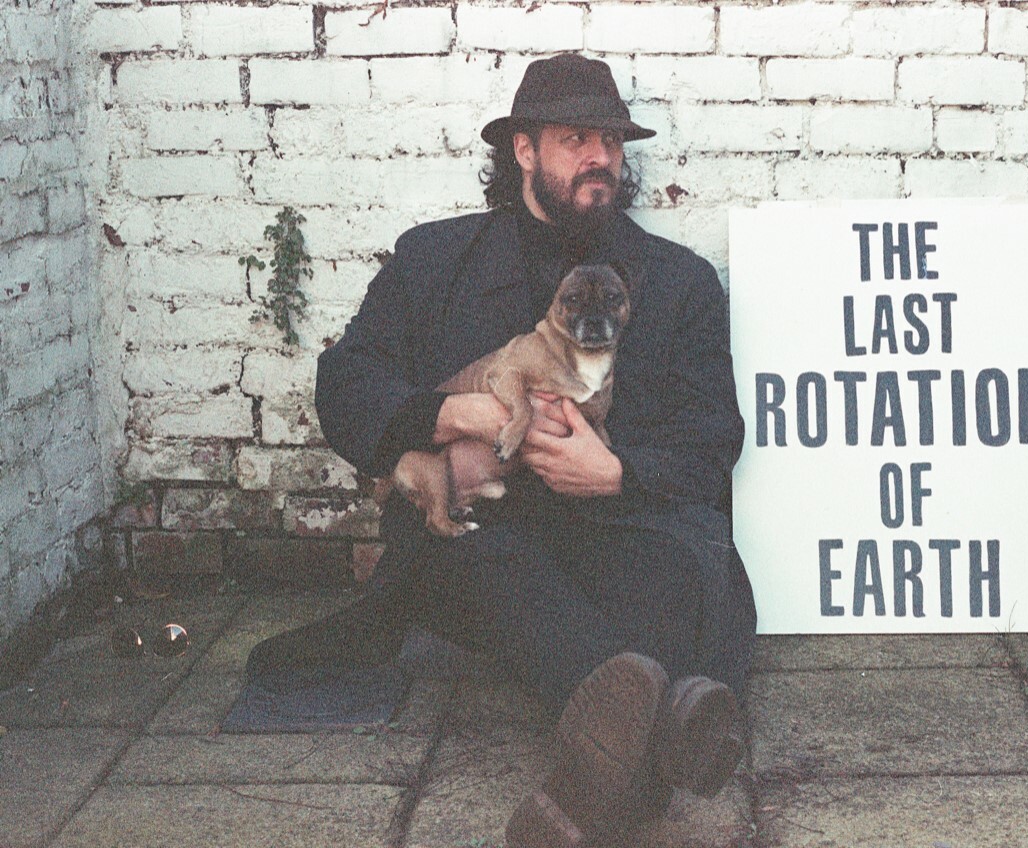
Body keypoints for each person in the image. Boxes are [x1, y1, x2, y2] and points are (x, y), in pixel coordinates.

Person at [246, 53, 757, 846]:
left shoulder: (679, 281)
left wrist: (616, 471)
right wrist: (460, 416)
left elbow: (714, 434)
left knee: (684, 579)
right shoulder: (434, 260)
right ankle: (670, 730)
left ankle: (619, 757)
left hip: (625, 535)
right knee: (471, 559)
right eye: (575, 138)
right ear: (523, 149)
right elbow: (345, 384)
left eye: (612, 143)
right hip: (493, 542)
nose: (600, 158)